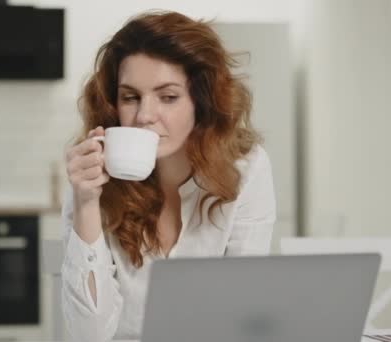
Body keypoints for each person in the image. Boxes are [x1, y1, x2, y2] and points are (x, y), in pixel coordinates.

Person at [61, 10, 276, 342]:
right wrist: (87, 205)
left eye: (168, 97)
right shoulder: (89, 179)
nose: (145, 116)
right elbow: (87, 336)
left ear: (201, 102)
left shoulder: (245, 169)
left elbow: (243, 314)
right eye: (130, 97)